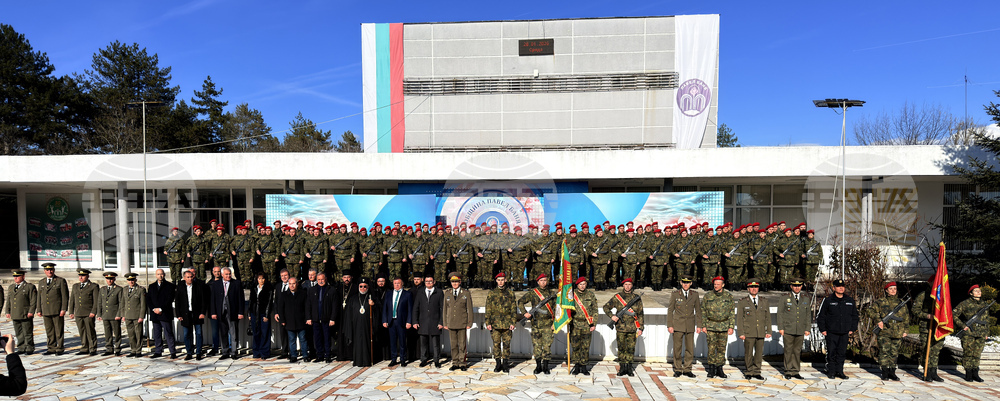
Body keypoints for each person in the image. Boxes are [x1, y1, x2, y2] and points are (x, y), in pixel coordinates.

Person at [817, 279, 858, 380]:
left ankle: (840, 371)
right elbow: (821, 316)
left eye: (843, 286)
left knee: (841, 353)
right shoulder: (828, 300)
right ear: (834, 288)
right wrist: (822, 329)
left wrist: (852, 328)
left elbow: (854, 316)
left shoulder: (849, 301)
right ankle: (831, 371)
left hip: (844, 332)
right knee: (831, 352)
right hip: (831, 331)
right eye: (839, 286)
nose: (841, 288)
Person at [953, 284, 995, 382]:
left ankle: (975, 373)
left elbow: (986, 320)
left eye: (979, 291)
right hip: (969, 333)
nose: (978, 292)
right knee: (968, 353)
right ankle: (968, 373)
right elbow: (954, 314)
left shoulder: (984, 304)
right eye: (976, 291)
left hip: (981, 333)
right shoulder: (965, 303)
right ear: (971, 293)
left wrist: (986, 333)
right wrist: (963, 326)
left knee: (977, 354)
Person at [603, 278, 644, 376]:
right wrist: (612, 316)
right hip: (620, 327)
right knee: (621, 348)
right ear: (623, 285)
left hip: (632, 327)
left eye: (629, 284)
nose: (628, 286)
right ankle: (622, 368)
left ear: (632, 286)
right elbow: (606, 307)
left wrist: (641, 328)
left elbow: (640, 313)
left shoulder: (636, 298)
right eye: (626, 284)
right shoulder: (618, 297)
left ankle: (629, 368)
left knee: (630, 348)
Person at [869, 281, 908, 381]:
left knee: (894, 353)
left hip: (898, 331)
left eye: (894, 289)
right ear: (886, 290)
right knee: (884, 352)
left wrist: (906, 330)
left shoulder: (901, 302)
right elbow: (870, 311)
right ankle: (885, 372)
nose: (893, 290)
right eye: (891, 289)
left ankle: (892, 372)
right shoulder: (880, 301)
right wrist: (878, 321)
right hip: (885, 331)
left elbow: (906, 317)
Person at [519, 274, 556, 375]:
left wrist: (555, 323)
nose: (543, 282)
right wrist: (525, 313)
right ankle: (538, 366)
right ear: (538, 282)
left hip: (548, 324)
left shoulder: (552, 293)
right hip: (536, 324)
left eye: (545, 280)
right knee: (537, 346)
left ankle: (546, 366)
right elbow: (520, 301)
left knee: (547, 346)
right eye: (541, 280)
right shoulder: (533, 293)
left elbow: (557, 309)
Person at [912, 276, 946, 382]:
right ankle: (926, 372)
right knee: (926, 349)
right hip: (926, 328)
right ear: (930, 282)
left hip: (938, 327)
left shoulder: (942, 296)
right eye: (934, 282)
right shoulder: (923, 295)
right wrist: (927, 316)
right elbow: (915, 310)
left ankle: (934, 372)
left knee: (936, 350)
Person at [735, 278, 770, 380]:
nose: (754, 289)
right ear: (748, 289)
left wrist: (769, 331)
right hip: (749, 331)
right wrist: (741, 332)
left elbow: (767, 317)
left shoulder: (764, 301)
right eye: (751, 287)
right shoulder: (742, 302)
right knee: (748, 353)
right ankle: (749, 371)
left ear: (758, 288)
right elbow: (740, 319)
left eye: (756, 287)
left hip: (760, 331)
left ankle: (757, 371)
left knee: (759, 353)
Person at [777, 278, 811, 380]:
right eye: (795, 286)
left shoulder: (805, 298)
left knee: (797, 351)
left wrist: (807, 328)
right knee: (788, 350)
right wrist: (781, 327)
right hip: (788, 328)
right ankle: (788, 370)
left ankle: (795, 370)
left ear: (801, 286)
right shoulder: (784, 298)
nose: (797, 287)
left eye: (799, 286)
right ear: (791, 286)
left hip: (800, 329)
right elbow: (780, 313)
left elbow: (808, 314)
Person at [667, 275, 701, 378]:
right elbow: (670, 310)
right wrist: (670, 325)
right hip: (678, 325)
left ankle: (687, 369)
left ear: (691, 283)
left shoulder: (694, 295)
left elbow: (698, 311)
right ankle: (677, 369)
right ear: (681, 283)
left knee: (689, 349)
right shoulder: (675, 294)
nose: (685, 284)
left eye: (688, 282)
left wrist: (699, 325)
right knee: (677, 348)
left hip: (690, 325)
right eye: (684, 282)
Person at [701, 276, 735, 378]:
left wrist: (731, 326)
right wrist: (703, 325)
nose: (716, 286)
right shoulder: (708, 296)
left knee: (721, 349)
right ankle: (711, 369)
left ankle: (720, 368)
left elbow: (732, 312)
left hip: (724, 326)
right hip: (711, 325)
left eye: (718, 284)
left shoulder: (729, 296)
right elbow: (703, 311)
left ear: (723, 285)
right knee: (711, 348)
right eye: (715, 284)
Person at [343, 278, 380, 367]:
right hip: (356, 326)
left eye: (364, 286)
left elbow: (378, 312)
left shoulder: (372, 298)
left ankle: (367, 361)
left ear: (368, 287)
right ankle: (358, 361)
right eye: (361, 286)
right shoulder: (353, 299)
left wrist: (373, 306)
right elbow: (348, 315)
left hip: (367, 326)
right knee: (357, 343)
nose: (362, 288)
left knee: (367, 342)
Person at [210, 267, 245, 360]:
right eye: (226, 274)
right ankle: (225, 351)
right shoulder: (216, 284)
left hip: (232, 312)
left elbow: (241, 299)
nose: (228, 275)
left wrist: (240, 312)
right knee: (223, 333)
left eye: (229, 274)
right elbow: (213, 299)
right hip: (221, 312)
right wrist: (213, 312)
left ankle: (233, 352)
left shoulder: (236, 283)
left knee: (233, 333)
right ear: (222, 275)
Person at [485, 272, 517, 373]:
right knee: (496, 344)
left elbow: (513, 309)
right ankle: (498, 363)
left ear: (505, 280)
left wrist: (513, 322)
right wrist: (488, 322)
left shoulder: (510, 293)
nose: (500, 282)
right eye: (499, 280)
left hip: (507, 324)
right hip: (495, 324)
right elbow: (488, 309)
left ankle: (505, 364)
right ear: (496, 281)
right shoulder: (492, 293)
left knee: (506, 344)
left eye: (502, 280)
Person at [442, 272, 473, 371]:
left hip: (462, 322)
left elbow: (469, 309)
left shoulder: (465, 293)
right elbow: (445, 310)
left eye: (456, 281)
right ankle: (455, 362)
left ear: (460, 282)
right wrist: (445, 323)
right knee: (453, 344)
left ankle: (462, 363)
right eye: (452, 282)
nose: (454, 284)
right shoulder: (447, 293)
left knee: (462, 344)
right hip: (451, 323)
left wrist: (469, 322)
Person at [36, 263, 69, 355]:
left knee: (59, 330)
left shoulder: (60, 281)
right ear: (44, 271)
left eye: (51, 270)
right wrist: (38, 309)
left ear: (54, 270)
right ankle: (51, 347)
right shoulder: (41, 282)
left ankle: (60, 348)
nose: (49, 271)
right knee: (49, 330)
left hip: (57, 310)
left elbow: (65, 296)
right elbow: (39, 297)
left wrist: (63, 309)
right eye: (47, 270)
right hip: (46, 310)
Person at [175, 269, 208, 360]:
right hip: (185, 314)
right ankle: (189, 352)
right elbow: (177, 301)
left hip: (197, 314)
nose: (190, 279)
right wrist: (178, 314)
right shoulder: (181, 286)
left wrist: (202, 312)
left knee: (199, 333)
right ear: (184, 278)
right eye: (188, 277)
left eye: (191, 277)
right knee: (186, 334)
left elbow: (203, 301)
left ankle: (198, 352)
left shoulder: (198, 286)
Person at [412, 275, 444, 368]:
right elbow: (416, 308)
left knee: (436, 344)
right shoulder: (420, 292)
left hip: (435, 321)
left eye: (430, 281)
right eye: (426, 281)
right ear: (424, 282)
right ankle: (424, 359)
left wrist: (441, 322)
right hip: (423, 321)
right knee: (423, 343)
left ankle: (436, 360)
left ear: (434, 282)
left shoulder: (439, 292)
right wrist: (415, 321)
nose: (428, 283)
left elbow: (442, 308)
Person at [306, 273, 338, 363]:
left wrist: (333, 318)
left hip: (326, 319)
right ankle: (319, 355)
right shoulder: (311, 290)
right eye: (319, 279)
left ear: (326, 279)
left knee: (327, 338)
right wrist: (308, 318)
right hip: (316, 319)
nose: (320, 281)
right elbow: (308, 305)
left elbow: (335, 306)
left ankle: (327, 355)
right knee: (317, 338)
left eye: (322, 279)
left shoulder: (331, 290)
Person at [569, 277, 598, 375]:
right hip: (575, 324)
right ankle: (577, 366)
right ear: (577, 285)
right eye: (580, 284)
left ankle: (584, 366)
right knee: (575, 346)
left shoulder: (590, 295)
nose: (582, 286)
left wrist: (593, 323)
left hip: (586, 324)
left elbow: (595, 310)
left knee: (585, 346)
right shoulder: (571, 295)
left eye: (584, 284)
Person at [5, 270, 37, 355]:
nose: (15, 278)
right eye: (14, 276)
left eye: (18, 276)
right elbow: (9, 300)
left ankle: (29, 347)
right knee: (18, 332)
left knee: (27, 331)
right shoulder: (11, 287)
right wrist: (7, 311)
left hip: (25, 313)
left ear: (23, 276)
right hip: (15, 313)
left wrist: (31, 311)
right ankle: (21, 347)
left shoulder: (29, 287)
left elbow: (33, 300)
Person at [147, 268, 177, 359]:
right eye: (158, 274)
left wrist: (161, 309)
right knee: (157, 333)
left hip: (165, 313)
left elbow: (170, 299)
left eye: (162, 274)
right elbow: (148, 299)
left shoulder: (170, 286)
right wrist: (153, 309)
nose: (160, 276)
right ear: (156, 275)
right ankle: (158, 351)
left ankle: (172, 351)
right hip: (155, 314)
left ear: (164, 275)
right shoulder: (151, 286)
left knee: (168, 333)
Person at [68, 269, 99, 356]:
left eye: (83, 276)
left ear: (88, 276)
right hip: (78, 312)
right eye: (80, 276)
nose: (81, 277)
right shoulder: (75, 286)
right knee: (82, 331)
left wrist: (94, 311)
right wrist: (71, 311)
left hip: (88, 312)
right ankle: (84, 347)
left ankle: (92, 348)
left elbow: (96, 301)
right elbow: (72, 300)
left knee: (90, 331)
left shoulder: (93, 286)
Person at [95, 272, 124, 356]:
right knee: (107, 333)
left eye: (111, 279)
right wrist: (99, 314)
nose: (109, 280)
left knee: (117, 332)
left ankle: (117, 348)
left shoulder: (118, 289)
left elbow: (120, 303)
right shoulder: (102, 289)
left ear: (114, 279)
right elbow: (99, 302)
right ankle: (109, 348)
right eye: (108, 279)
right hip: (105, 315)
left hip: (114, 315)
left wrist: (119, 314)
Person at [249, 273, 274, 360]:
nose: (261, 280)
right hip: (254, 313)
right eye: (259, 278)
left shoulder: (268, 288)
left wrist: (267, 315)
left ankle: (265, 352)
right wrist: (249, 313)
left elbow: (269, 302)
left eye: (263, 278)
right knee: (256, 332)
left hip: (263, 313)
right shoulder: (254, 287)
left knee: (265, 333)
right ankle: (256, 352)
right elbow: (251, 301)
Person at [120, 273, 146, 357]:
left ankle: (138, 350)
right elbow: (123, 303)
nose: (131, 282)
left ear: (135, 280)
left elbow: (143, 304)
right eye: (129, 280)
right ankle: (133, 350)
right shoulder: (125, 289)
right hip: (128, 315)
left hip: (136, 315)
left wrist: (141, 316)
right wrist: (123, 314)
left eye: (132, 280)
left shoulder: (140, 290)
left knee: (138, 334)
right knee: (131, 334)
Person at [271, 269, 291, 359]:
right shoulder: (278, 286)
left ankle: (291, 352)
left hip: (290, 314)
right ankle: (284, 352)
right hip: (280, 314)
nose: (284, 277)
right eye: (282, 276)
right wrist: (276, 313)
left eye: (285, 275)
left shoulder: (292, 285)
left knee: (291, 333)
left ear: (289, 275)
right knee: (282, 333)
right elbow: (276, 301)